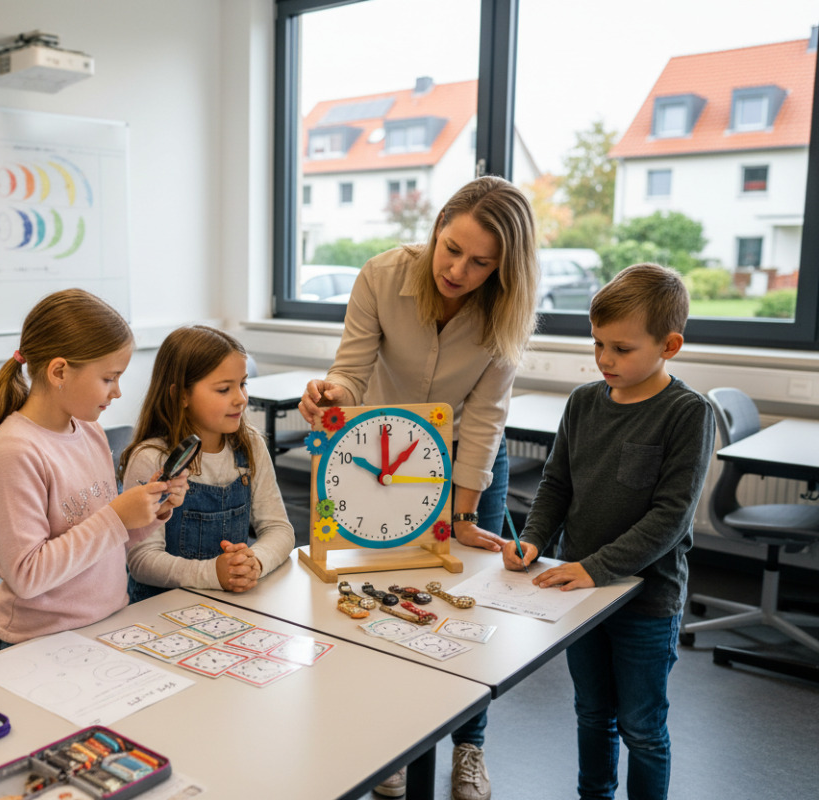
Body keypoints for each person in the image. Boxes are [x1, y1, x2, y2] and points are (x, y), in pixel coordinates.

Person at [298, 175, 539, 800]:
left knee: (466, 602)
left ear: (504, 269)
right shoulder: (381, 276)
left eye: (481, 262)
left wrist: (461, 517)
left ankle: (469, 746)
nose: (458, 269)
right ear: (436, 229)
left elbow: (485, 419)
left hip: (464, 461)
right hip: (383, 458)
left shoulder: (505, 312)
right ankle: (395, 737)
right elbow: (351, 373)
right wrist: (332, 397)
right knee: (382, 587)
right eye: (450, 247)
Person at [505, 263, 714, 800]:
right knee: (592, 714)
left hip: (646, 602)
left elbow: (670, 518)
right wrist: (533, 539)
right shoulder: (582, 403)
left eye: (622, 349)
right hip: (579, 595)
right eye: (598, 344)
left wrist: (594, 567)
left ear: (670, 344)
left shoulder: (688, 413)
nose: (604, 360)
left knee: (643, 728)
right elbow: (556, 485)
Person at [0, 289, 189, 653]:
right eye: (109, 378)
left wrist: (150, 511)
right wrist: (118, 517)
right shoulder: (15, 452)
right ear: (59, 372)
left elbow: (104, 544)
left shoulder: (89, 432)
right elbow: (27, 575)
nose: (117, 391)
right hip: (36, 644)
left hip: (105, 627)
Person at [122, 325, 295, 602]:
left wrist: (255, 563)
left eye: (243, 384)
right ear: (182, 395)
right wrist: (213, 574)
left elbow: (279, 529)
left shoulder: (250, 445)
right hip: (161, 610)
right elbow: (142, 562)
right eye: (224, 389)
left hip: (231, 603)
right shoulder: (151, 458)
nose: (240, 398)